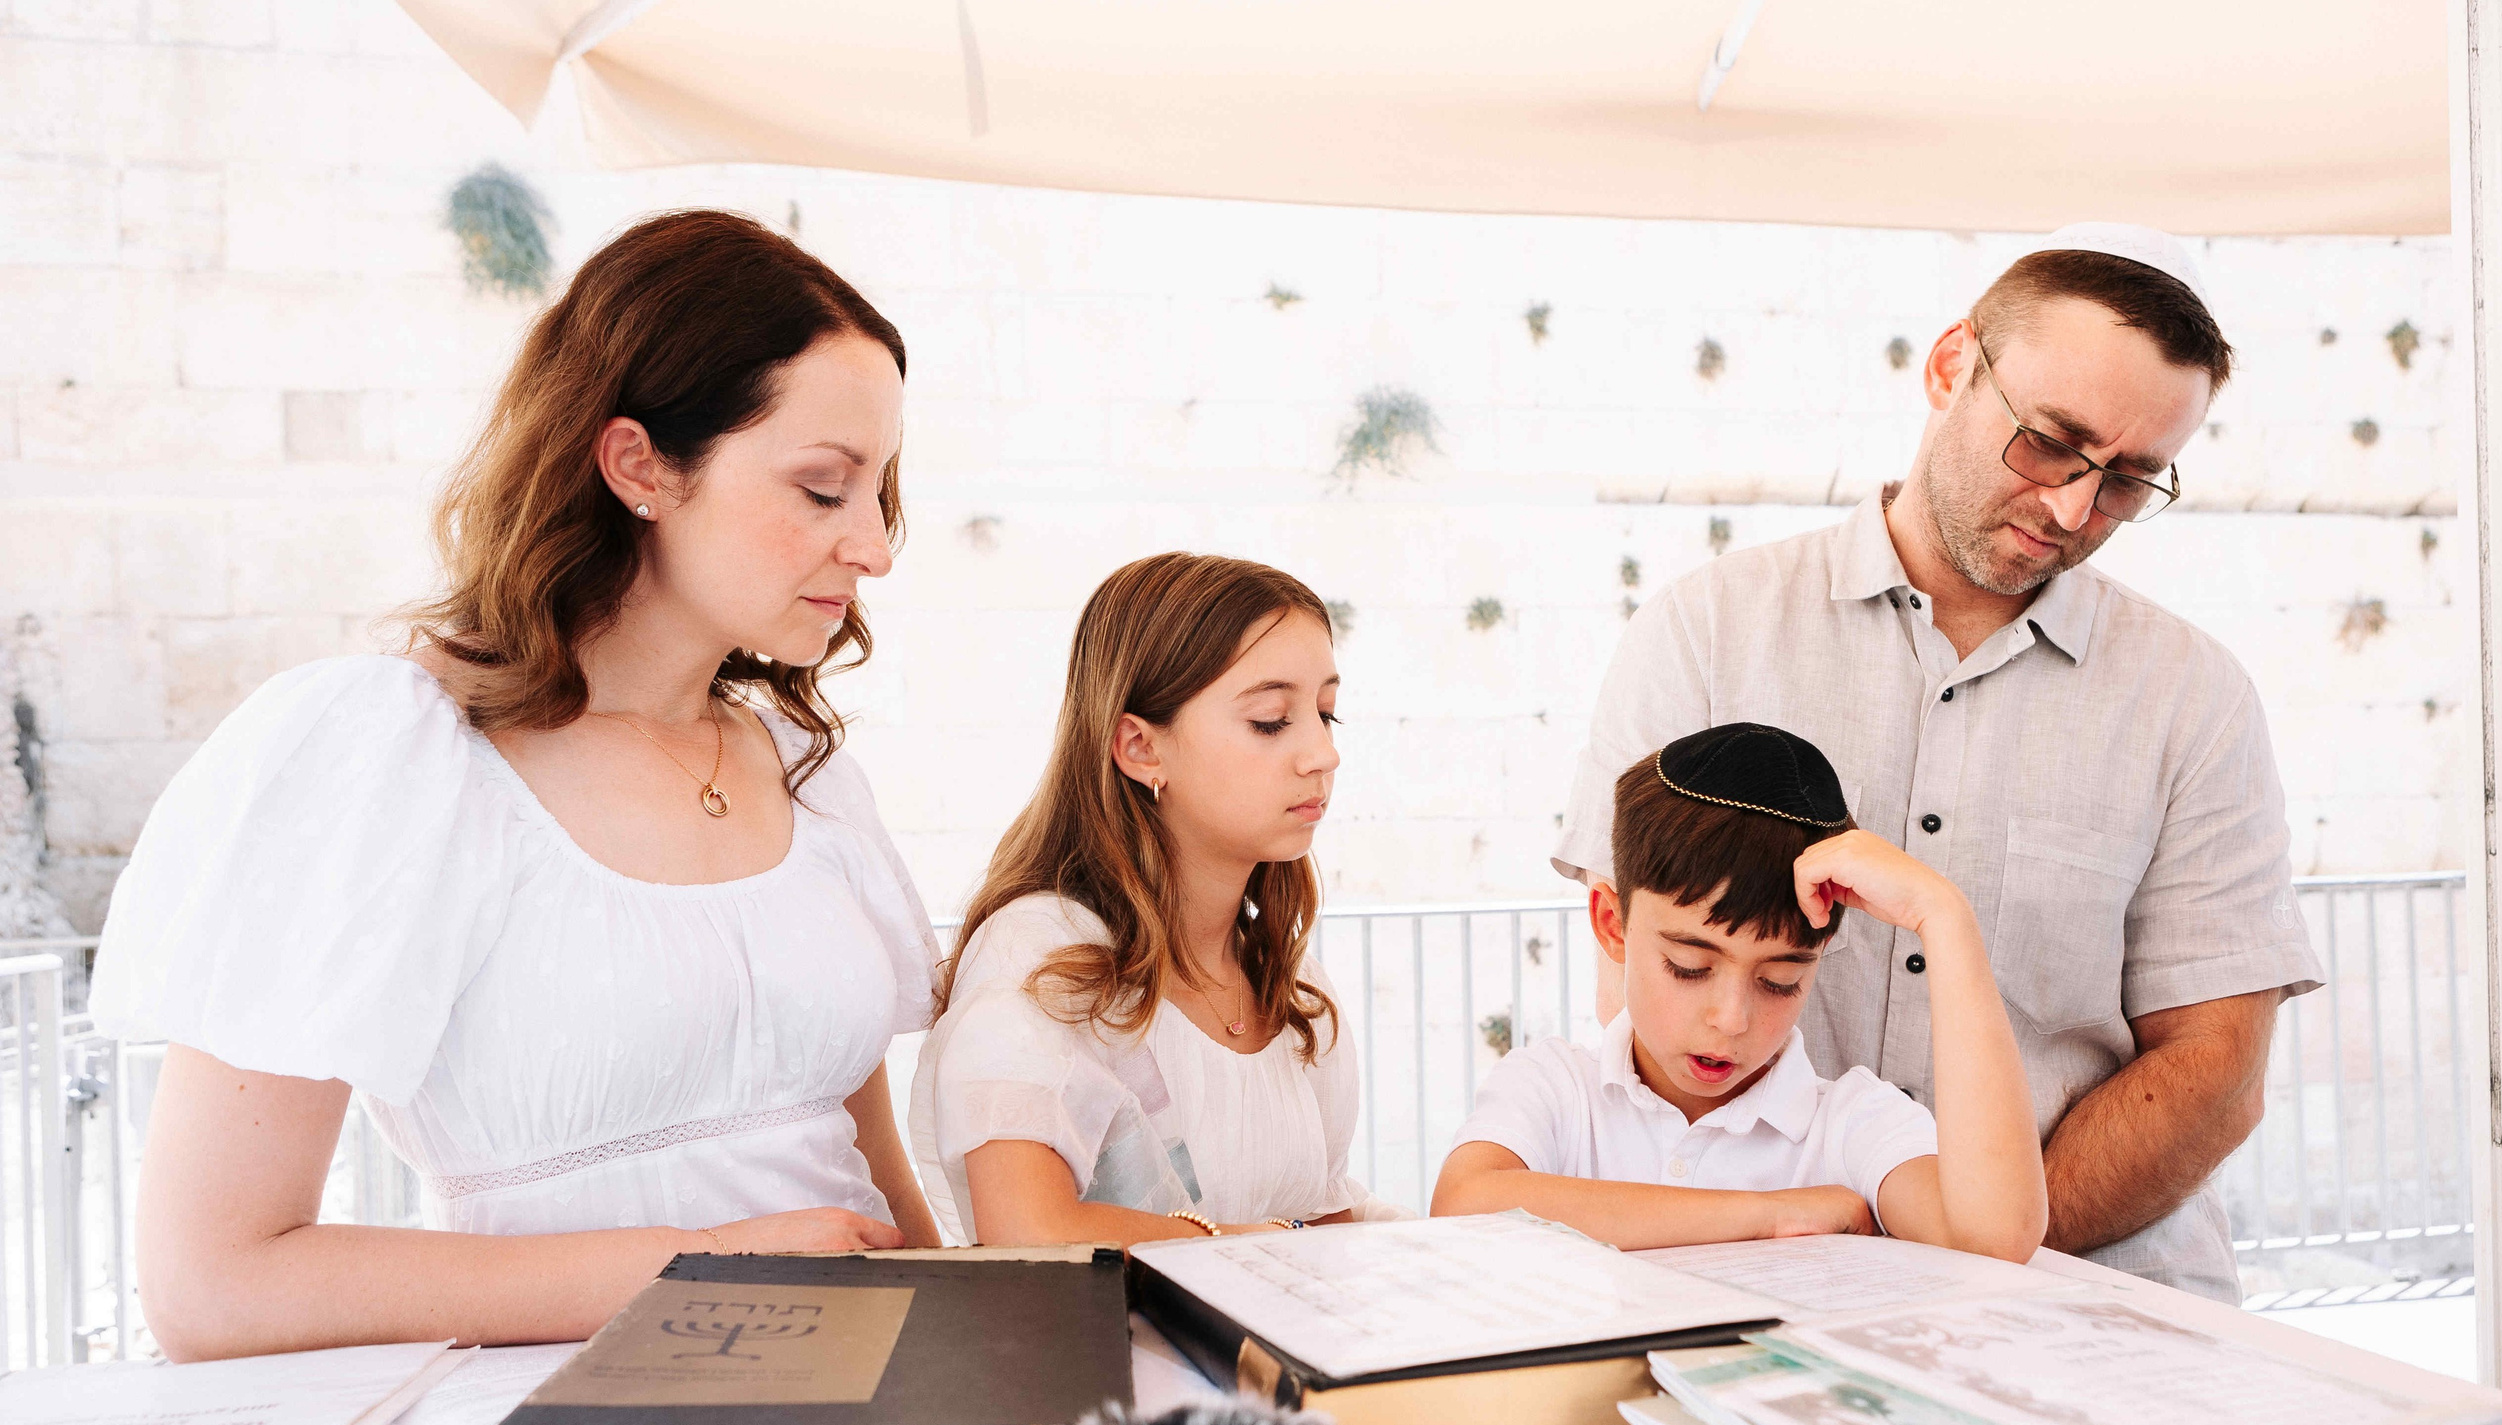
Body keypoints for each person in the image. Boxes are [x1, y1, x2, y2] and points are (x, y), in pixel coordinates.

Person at [90, 210, 945, 1361]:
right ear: (639, 464)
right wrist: (701, 1273)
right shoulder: (393, 760)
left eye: (878, 490)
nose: (876, 547)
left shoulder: (804, 770)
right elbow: (212, 1287)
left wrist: (969, 1363)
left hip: (867, 1407)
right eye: (821, 487)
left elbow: (869, 1173)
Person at [1553, 223, 2323, 1301]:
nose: (2070, 509)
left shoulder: (2194, 700)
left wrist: (1974, 1253)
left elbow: (2215, 1072)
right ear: (1952, 365)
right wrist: (1831, 1257)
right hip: (1764, 1285)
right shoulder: (1709, 632)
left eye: (2126, 481)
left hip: (2098, 1298)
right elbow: (1638, 990)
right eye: (2051, 443)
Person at [911, 552, 1405, 1245]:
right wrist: (1262, 1246)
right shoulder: (1045, 963)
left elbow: (1322, 1226)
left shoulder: (1294, 989)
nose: (1323, 753)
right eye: (1271, 720)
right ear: (1140, 747)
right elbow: (1029, 1231)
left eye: (1327, 714)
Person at [1435, 725, 2044, 1260]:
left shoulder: (1849, 1124)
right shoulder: (1557, 1089)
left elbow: (1994, 1237)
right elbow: (1465, 1205)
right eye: (1688, 966)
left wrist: (1943, 917)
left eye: (1780, 981)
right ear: (1612, 925)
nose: (1731, 1020)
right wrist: (1771, 1214)